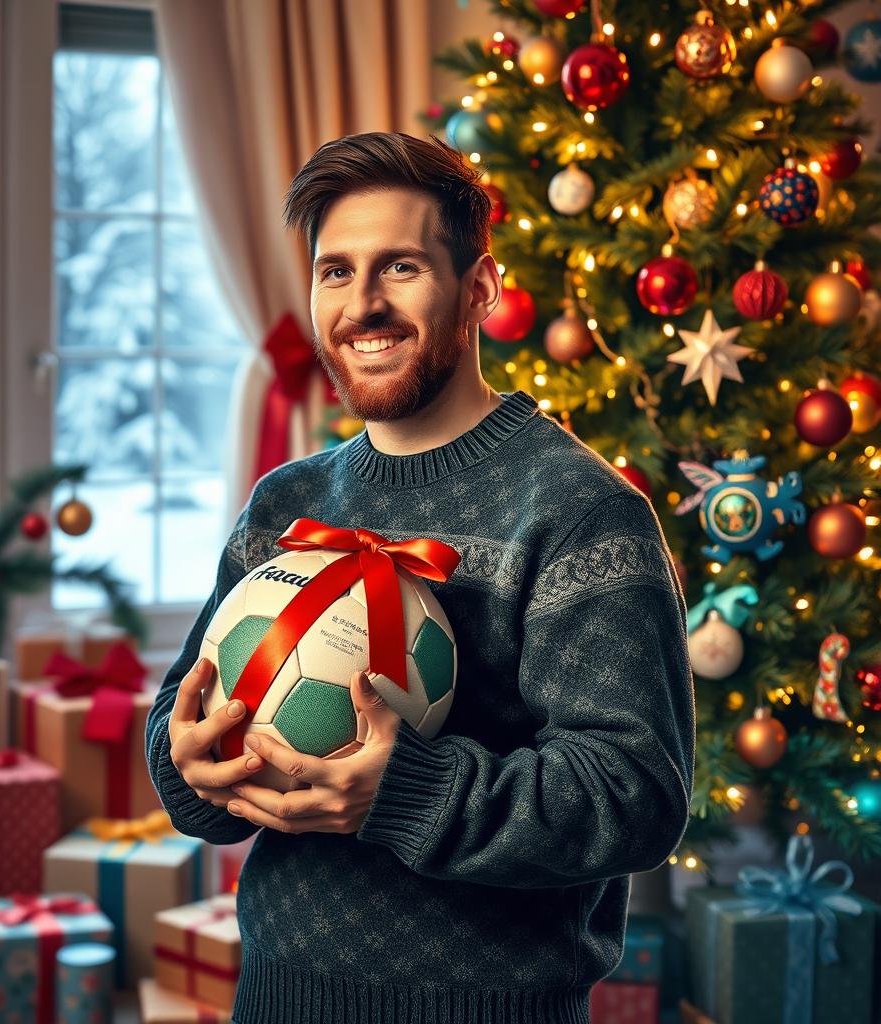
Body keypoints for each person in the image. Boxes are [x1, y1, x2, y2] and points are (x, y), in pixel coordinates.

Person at [145, 131, 696, 1024]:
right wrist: (188, 766)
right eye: (335, 271)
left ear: (478, 287)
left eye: (399, 268)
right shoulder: (287, 502)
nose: (362, 305)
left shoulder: (582, 511)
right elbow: (183, 707)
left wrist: (407, 791)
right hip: (277, 995)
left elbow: (633, 795)